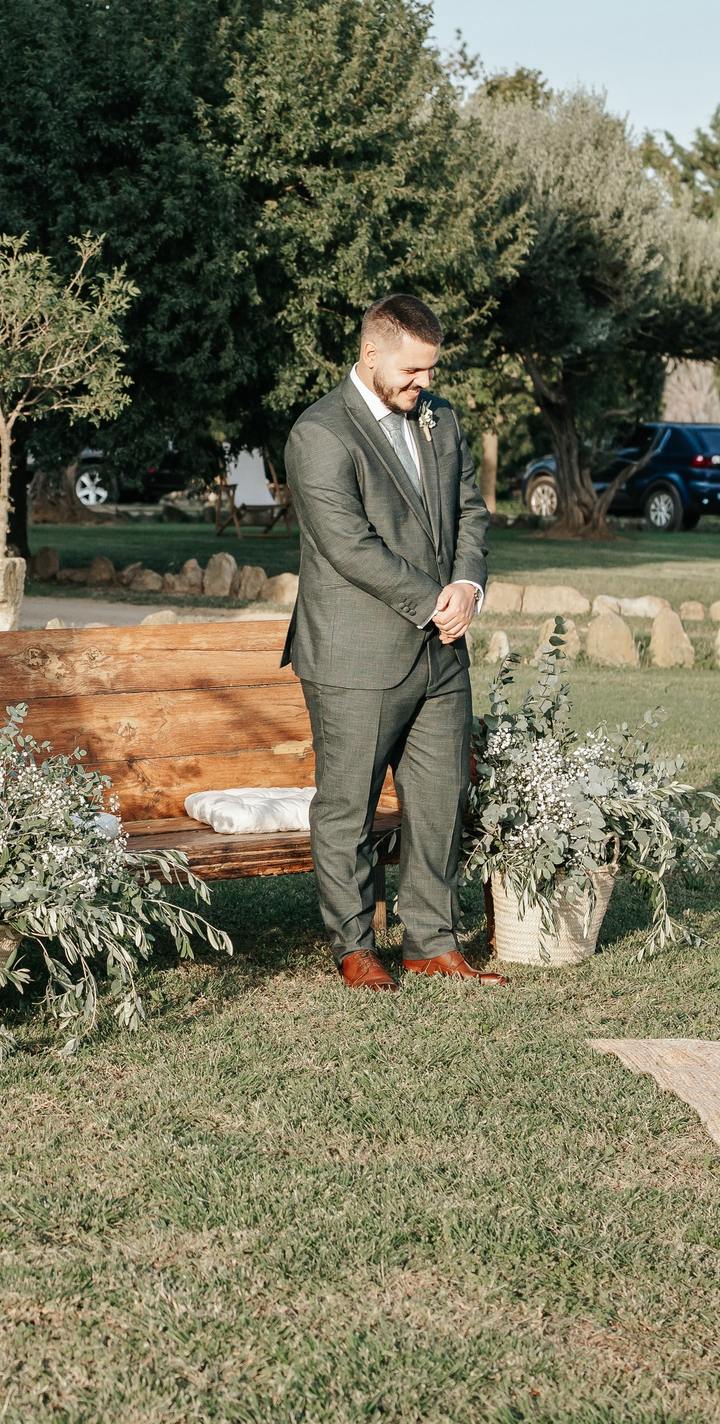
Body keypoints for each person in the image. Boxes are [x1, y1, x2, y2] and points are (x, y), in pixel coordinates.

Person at [281, 294, 505, 993]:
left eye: (431, 370)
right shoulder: (320, 434)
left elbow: (471, 511)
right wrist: (432, 601)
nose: (424, 383)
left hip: (443, 651)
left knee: (441, 801)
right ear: (371, 353)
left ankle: (431, 942)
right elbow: (348, 544)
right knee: (348, 807)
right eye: (412, 371)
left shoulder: (442, 420)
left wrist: (466, 586)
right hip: (356, 654)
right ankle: (354, 945)